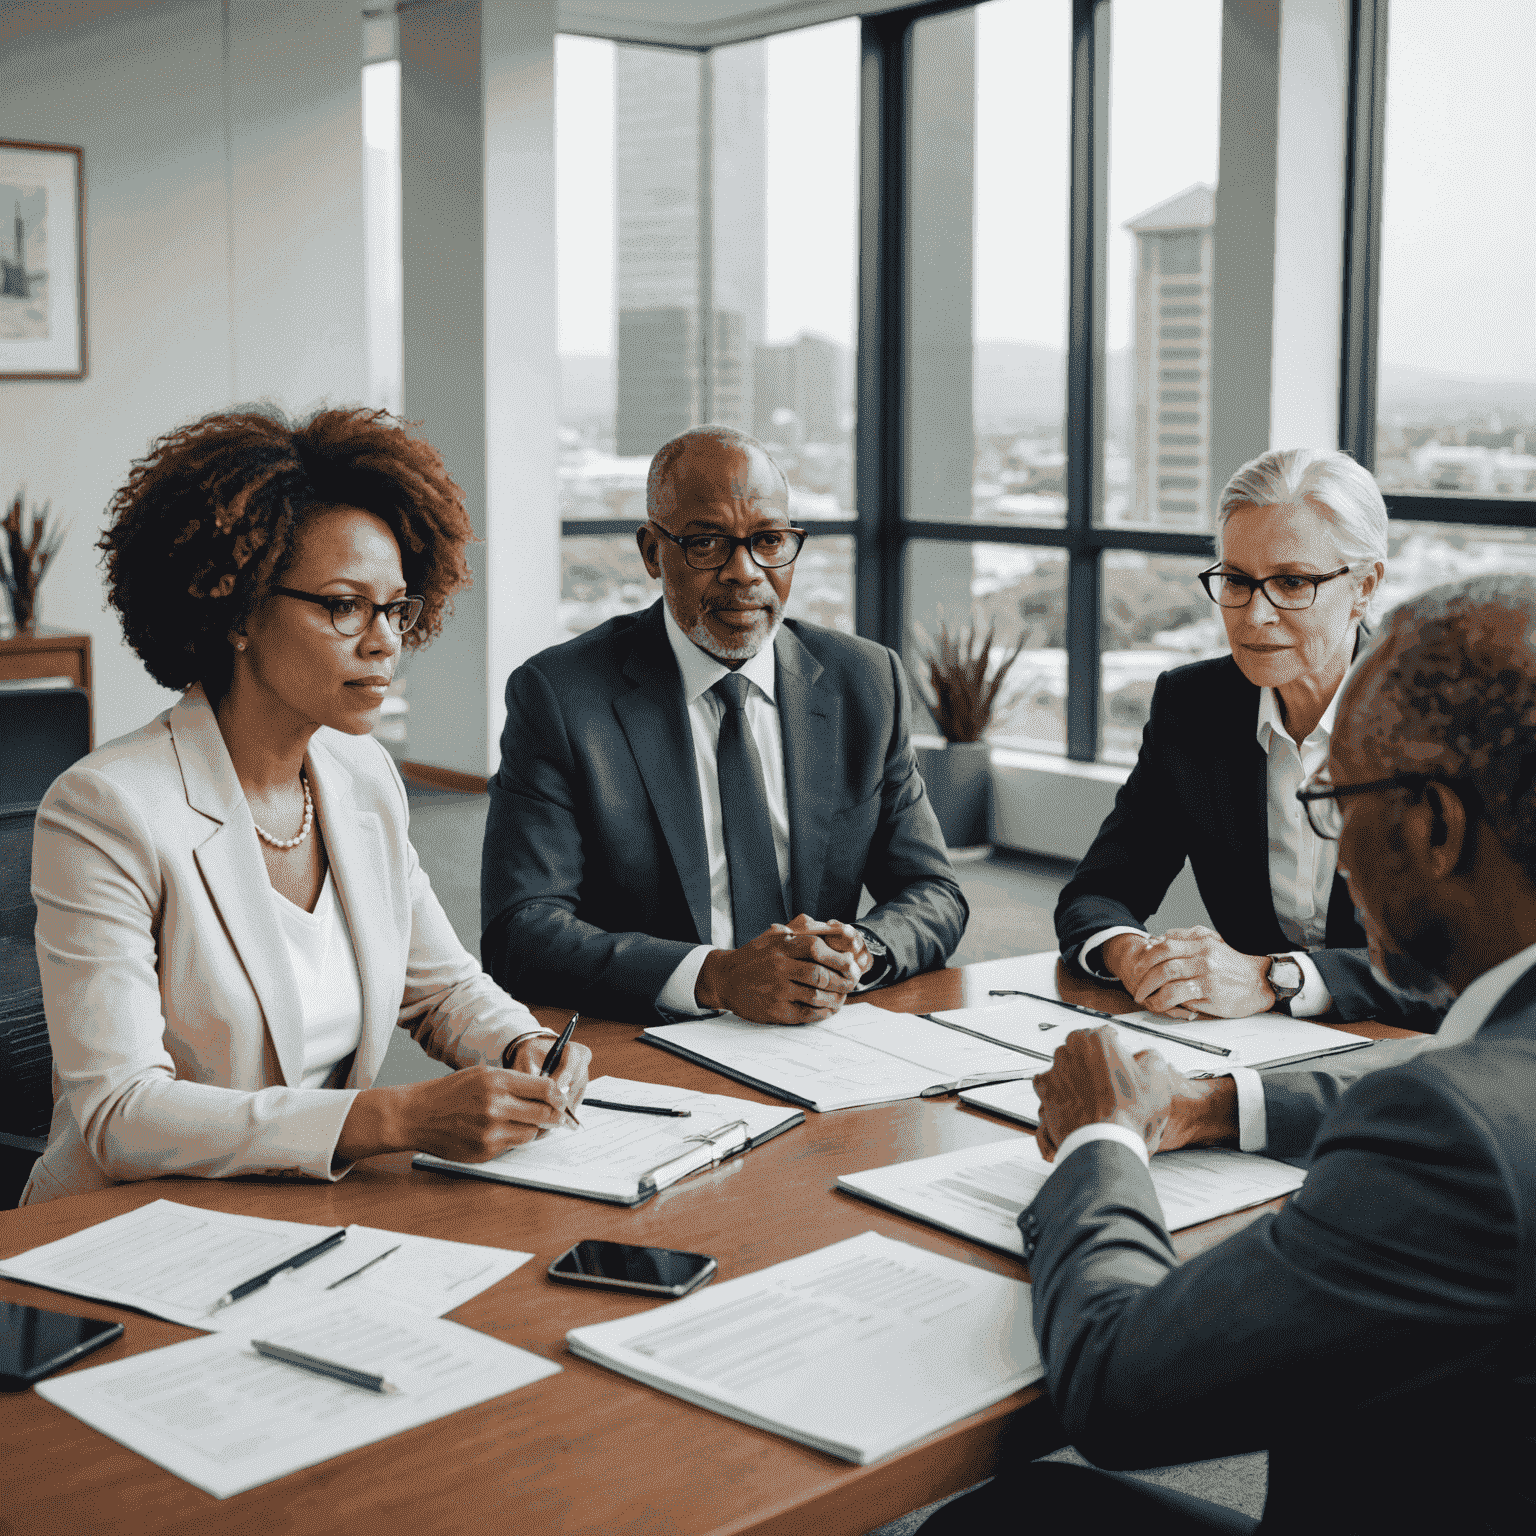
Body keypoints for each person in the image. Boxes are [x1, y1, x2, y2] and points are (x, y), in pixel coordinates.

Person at [920, 573, 1536, 1535]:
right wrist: (1218, 1101)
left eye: (1334, 800)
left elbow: (1118, 1391)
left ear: (1434, 824)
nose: (1329, 844)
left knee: (1003, 1516)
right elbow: (1471, 1075)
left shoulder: (1449, 1139)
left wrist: (1104, 1140)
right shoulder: (1478, 1089)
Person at [22, 406, 591, 1207]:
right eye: (343, 606)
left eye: (396, 608)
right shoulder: (105, 810)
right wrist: (389, 1117)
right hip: (121, 1230)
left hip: (300, 1211)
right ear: (238, 613)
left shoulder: (361, 775)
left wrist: (521, 1041)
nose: (384, 640)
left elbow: (440, 987)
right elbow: (121, 1115)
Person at [480, 425, 967, 1026]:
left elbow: (935, 893)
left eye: (768, 540)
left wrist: (856, 952)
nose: (745, 572)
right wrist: (716, 977)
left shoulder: (864, 682)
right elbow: (520, 931)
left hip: (817, 1033)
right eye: (708, 543)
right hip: (649, 1036)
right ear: (652, 551)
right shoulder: (561, 695)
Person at [1054, 446, 1443, 1030]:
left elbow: (1486, 965)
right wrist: (1134, 955)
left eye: (1290, 582)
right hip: (1250, 1047)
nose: (1254, 615)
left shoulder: (1442, 718)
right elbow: (1097, 893)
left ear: (1364, 588)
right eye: (1236, 580)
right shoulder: (1193, 707)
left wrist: (1277, 978)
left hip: (1413, 1055)